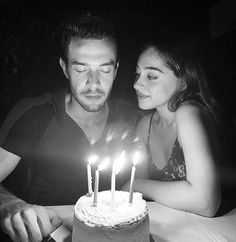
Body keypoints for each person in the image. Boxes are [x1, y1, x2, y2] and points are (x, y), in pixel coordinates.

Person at [0, 11, 139, 241]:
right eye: (81, 68)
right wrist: (10, 205)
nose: (93, 83)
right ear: (64, 68)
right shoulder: (35, 114)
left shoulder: (132, 117)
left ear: (115, 70)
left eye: (104, 69)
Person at [123, 38, 222, 217]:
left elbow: (206, 202)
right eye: (137, 74)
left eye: (151, 76)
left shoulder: (188, 113)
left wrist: (136, 185)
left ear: (183, 82)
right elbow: (141, 201)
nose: (136, 84)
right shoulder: (144, 126)